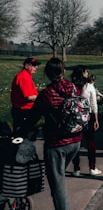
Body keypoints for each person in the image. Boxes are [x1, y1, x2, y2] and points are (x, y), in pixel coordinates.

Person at [16, 58, 82, 210]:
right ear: (63, 71)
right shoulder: (73, 88)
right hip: (76, 140)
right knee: (58, 174)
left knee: (57, 183)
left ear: (47, 73)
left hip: (57, 143)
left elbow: (33, 118)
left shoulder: (46, 94)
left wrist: (20, 132)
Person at [71, 66, 101, 177]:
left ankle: (76, 168)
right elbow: (94, 104)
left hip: (75, 117)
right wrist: (96, 118)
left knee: (76, 143)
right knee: (91, 142)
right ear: (83, 73)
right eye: (86, 71)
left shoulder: (72, 86)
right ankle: (92, 167)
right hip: (88, 116)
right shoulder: (89, 87)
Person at [10, 57, 41, 131]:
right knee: (21, 134)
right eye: (33, 66)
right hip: (23, 111)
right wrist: (42, 96)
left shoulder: (26, 76)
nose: (36, 67)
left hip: (22, 110)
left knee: (24, 132)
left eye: (36, 65)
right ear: (26, 66)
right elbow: (28, 97)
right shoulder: (24, 77)